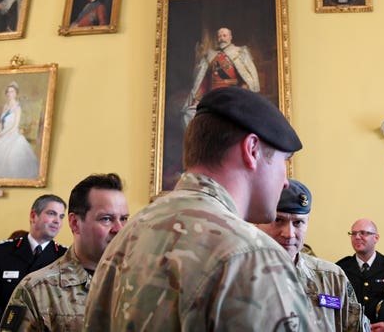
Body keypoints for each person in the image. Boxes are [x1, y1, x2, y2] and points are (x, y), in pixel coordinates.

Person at [83, 86, 314, 330]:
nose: (286, 180)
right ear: (252, 150)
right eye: (283, 161)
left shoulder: (129, 235)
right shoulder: (252, 255)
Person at [0, 173, 129, 331]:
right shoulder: (37, 290)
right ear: (75, 223)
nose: (120, 229)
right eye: (106, 219)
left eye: (123, 219)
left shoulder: (141, 281)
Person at [257, 179, 369, 332]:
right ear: (258, 222)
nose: (289, 234)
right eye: (278, 220)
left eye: (298, 223)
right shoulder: (238, 275)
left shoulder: (332, 277)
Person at [0, 194, 67, 332]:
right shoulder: (1, 252)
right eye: (51, 213)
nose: (57, 221)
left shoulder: (64, 257)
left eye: (61, 216)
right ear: (33, 216)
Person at [181, 27, 260, 126]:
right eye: (219, 36)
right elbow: (204, 81)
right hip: (213, 96)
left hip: (232, 95)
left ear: (230, 37)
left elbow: (247, 79)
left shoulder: (239, 53)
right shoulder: (211, 55)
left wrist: (242, 92)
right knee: (190, 113)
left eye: (224, 36)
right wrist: (197, 99)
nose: (221, 38)